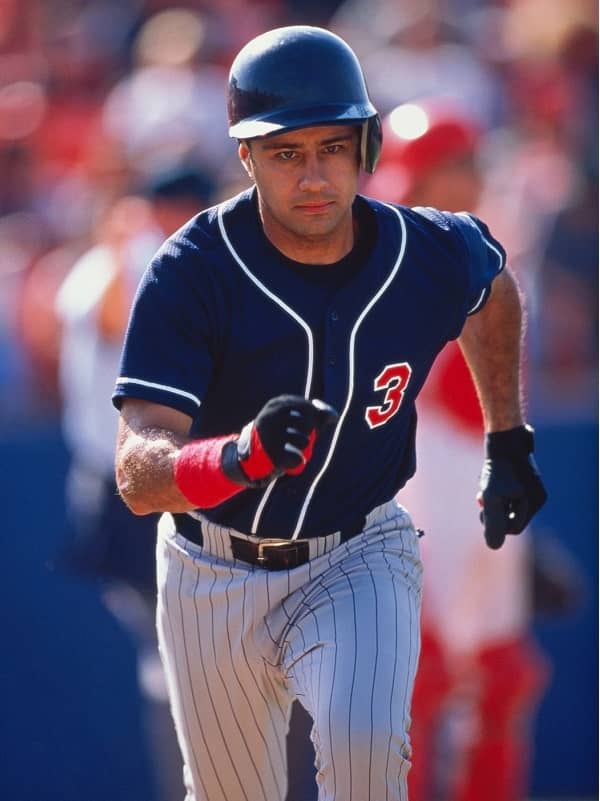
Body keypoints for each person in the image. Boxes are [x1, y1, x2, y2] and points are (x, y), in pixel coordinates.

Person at [112, 26, 547, 801]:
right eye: (286, 153)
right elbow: (138, 474)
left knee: (366, 748)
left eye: (332, 147)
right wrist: (236, 457)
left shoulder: (427, 250)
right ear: (246, 158)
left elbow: (491, 286)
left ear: (366, 147)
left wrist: (507, 436)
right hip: (212, 565)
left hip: (359, 550)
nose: (314, 176)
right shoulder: (193, 270)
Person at [364, 99, 550, 801]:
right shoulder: (385, 252)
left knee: (502, 677)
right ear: (420, 173)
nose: (472, 176)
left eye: (473, 162)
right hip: (417, 478)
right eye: (455, 165)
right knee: (419, 672)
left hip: (479, 472)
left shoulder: (483, 245)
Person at [56, 167, 215, 801]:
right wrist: (131, 244)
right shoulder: (127, 262)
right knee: (178, 666)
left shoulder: (115, 261)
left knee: (189, 663)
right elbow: (114, 320)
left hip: (139, 481)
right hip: (133, 490)